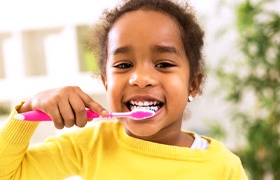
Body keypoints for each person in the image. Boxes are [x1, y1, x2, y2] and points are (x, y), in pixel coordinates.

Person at [0, 0, 248, 179]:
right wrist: (28, 110)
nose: (140, 78)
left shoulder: (223, 167)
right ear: (106, 82)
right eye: (124, 65)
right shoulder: (87, 147)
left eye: (163, 64)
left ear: (192, 84)